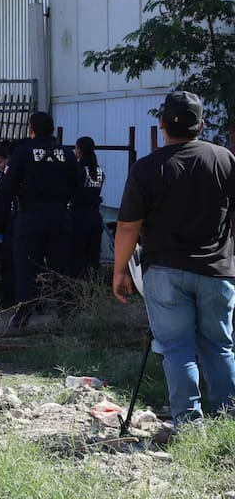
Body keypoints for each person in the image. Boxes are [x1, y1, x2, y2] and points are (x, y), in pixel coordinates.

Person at [113, 90, 235, 429]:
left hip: (165, 271)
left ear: (162, 123)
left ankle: (189, 426)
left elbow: (127, 226)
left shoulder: (148, 168)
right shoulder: (224, 159)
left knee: (177, 349)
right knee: (219, 348)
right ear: (202, 124)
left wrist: (120, 269)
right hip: (218, 271)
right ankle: (228, 423)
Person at [0, 111, 78, 327]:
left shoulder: (22, 153)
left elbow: (6, 188)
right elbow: (76, 187)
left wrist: (0, 219)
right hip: (60, 217)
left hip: (29, 217)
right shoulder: (67, 153)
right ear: (52, 129)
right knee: (61, 269)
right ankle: (65, 315)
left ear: (31, 129)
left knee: (25, 268)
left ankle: (22, 316)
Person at [69, 136, 106, 279]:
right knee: (93, 257)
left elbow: (73, 192)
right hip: (95, 216)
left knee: (77, 257)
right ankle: (93, 288)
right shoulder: (98, 171)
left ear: (79, 149)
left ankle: (77, 289)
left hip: (79, 217)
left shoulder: (78, 169)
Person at [0, 141, 17, 308]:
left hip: (13, 222)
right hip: (3, 223)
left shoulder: (14, 174)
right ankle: (7, 297)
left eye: (0, 162)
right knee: (5, 264)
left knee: (13, 264)